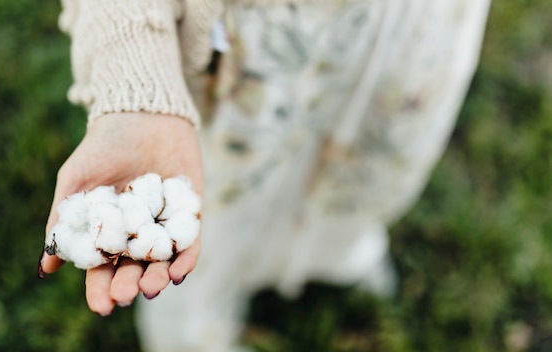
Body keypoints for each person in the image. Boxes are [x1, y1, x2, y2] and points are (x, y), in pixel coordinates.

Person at [39, 0, 491, 350]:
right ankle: (197, 330)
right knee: (226, 206)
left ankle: (337, 246)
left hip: (414, 32)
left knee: (366, 170)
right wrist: (136, 83)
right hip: (261, 49)